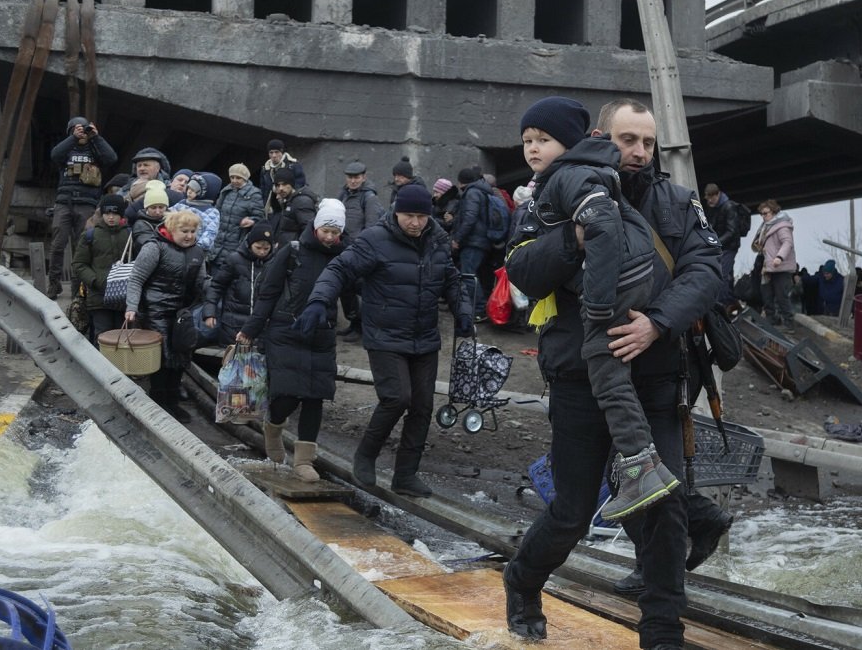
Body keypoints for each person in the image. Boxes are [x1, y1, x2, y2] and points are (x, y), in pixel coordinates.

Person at [502, 97, 722, 650]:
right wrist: (574, 237)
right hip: (581, 378)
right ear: (602, 136)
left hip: (656, 380)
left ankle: (662, 633)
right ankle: (522, 581)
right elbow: (521, 267)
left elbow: (706, 270)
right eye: (629, 140)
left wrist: (657, 322)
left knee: (663, 505)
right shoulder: (555, 192)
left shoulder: (678, 201)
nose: (640, 152)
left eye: (648, 142)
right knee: (573, 513)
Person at [519, 96, 674, 521]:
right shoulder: (568, 178)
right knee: (609, 374)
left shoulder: (572, 177)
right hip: (622, 289)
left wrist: (601, 306)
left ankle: (641, 468)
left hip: (621, 291)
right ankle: (648, 474)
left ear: (571, 144)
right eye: (527, 140)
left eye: (544, 139)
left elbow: (602, 226)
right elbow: (520, 266)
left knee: (604, 367)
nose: (533, 148)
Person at [306, 183, 472, 496]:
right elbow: (339, 269)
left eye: (422, 216)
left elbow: (451, 279)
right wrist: (319, 300)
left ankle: (405, 475)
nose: (416, 222)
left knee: (422, 407)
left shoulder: (437, 239)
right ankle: (365, 455)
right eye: (409, 215)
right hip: (385, 334)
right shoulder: (374, 240)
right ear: (396, 212)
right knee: (397, 397)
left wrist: (462, 310)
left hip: (424, 337)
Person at [238, 200, 348, 481]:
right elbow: (268, 291)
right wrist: (251, 328)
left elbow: (351, 294)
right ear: (316, 225)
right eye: (326, 229)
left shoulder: (343, 257)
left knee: (315, 397)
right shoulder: (293, 251)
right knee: (286, 394)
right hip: (286, 330)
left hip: (321, 334)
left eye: (336, 232)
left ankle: (304, 461)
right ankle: (273, 426)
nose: (330, 236)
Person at [123, 209, 208, 422]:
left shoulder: (197, 251)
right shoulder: (155, 247)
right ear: (171, 229)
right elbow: (136, 279)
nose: (189, 235)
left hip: (181, 312)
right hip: (155, 310)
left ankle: (172, 401)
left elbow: (202, 281)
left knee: (181, 355)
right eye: (184, 231)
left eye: (192, 231)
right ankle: (158, 401)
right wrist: (132, 306)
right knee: (161, 358)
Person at [47, 116, 117, 298]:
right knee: (57, 245)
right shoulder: (66, 150)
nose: (82, 133)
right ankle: (54, 284)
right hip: (64, 202)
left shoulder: (95, 151)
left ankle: (78, 289)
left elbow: (111, 158)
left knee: (82, 247)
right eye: (78, 130)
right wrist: (72, 138)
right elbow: (54, 154)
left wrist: (96, 137)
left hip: (87, 204)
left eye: (85, 129)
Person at [201, 222, 274, 347]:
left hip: (262, 327)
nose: (262, 252)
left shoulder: (275, 263)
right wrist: (209, 312)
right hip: (232, 325)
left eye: (266, 249)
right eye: (258, 247)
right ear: (250, 244)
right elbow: (217, 286)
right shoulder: (234, 260)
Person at [336, 160, 386, 342]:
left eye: (356, 177)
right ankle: (354, 324)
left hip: (360, 252)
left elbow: (371, 227)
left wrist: (361, 248)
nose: (353, 181)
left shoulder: (369, 197)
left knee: (361, 291)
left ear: (363, 177)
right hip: (344, 249)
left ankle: (364, 328)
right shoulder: (343, 194)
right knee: (347, 290)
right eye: (350, 177)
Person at [72, 193, 131, 344]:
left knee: (122, 336)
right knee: (102, 337)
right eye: (107, 213)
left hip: (123, 297)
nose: (111, 217)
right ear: (102, 213)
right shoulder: (90, 235)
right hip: (99, 296)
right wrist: (95, 281)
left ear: (121, 214)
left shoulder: (130, 235)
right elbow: (79, 264)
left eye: (115, 213)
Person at [451, 166, 498, 319]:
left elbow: (470, 217)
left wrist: (458, 238)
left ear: (462, 182)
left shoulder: (472, 193)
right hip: (481, 240)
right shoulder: (482, 191)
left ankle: (479, 310)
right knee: (478, 275)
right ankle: (483, 308)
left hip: (474, 241)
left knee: (468, 275)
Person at [753, 199, 796, 328]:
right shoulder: (765, 227)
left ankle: (789, 324)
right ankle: (772, 320)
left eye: (765, 213)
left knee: (781, 297)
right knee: (766, 295)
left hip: (780, 267)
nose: (763, 216)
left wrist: (779, 257)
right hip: (768, 268)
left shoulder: (782, 226)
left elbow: (787, 242)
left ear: (774, 212)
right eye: (761, 214)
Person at [214, 163, 265, 265]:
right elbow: (217, 211)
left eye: (238, 178)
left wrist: (251, 221)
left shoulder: (254, 194)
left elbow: (260, 217)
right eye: (232, 177)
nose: (234, 180)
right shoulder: (226, 191)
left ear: (245, 178)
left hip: (237, 239)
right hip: (219, 239)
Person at [702, 183, 744, 305]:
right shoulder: (712, 206)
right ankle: (731, 302)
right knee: (727, 274)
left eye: (712, 198)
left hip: (730, 246)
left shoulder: (729, 206)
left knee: (722, 273)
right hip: (720, 246)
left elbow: (732, 231)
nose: (710, 201)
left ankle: (723, 303)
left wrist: (716, 243)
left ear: (718, 194)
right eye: (708, 198)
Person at [168, 173, 222, 255]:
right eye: (188, 188)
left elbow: (210, 233)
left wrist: (198, 247)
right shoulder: (182, 203)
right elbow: (168, 217)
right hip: (174, 244)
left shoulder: (211, 212)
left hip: (195, 251)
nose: (189, 192)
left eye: (193, 190)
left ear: (204, 193)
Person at [272, 167, 318, 245]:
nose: (281, 188)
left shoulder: (301, 202)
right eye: (278, 185)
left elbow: (308, 231)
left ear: (291, 184)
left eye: (284, 184)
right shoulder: (289, 201)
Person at [259, 139, 306, 214]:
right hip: (272, 207)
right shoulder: (265, 169)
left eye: (277, 152)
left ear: (282, 152)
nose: (274, 155)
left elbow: (300, 186)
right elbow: (263, 190)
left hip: (290, 204)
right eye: (271, 152)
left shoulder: (293, 166)